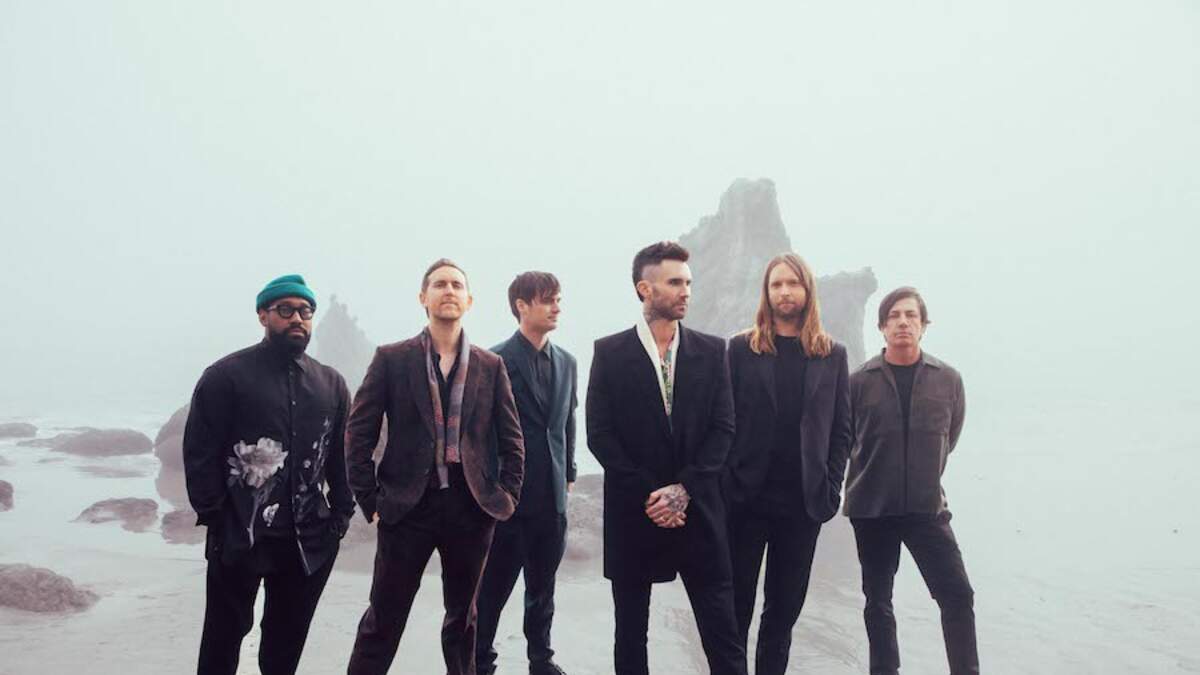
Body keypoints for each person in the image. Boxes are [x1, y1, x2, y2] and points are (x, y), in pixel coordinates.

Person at [344, 259, 525, 675]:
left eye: (457, 285)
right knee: (383, 617)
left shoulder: (490, 366)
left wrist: (506, 496)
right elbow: (358, 432)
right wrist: (369, 500)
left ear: (469, 300)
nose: (449, 291)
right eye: (440, 284)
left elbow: (512, 438)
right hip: (406, 508)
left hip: (471, 507)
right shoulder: (392, 359)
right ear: (423, 298)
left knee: (463, 621)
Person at [586, 241, 747, 675]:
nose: (686, 291)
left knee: (723, 635)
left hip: (700, 511)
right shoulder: (609, 353)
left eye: (688, 283)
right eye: (675, 282)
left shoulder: (713, 351)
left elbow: (724, 429)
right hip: (634, 512)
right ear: (645, 288)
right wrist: (652, 494)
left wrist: (684, 490)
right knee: (630, 636)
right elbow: (600, 436)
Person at [183, 273, 354, 675]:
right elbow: (200, 453)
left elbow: (339, 456)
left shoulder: (331, 384)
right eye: (285, 310)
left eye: (305, 311)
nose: (297, 318)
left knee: (284, 648)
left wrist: (340, 516)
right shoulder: (225, 376)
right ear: (263, 315)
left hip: (308, 539)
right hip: (240, 534)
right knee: (223, 640)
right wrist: (216, 517)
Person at [723, 253, 852, 675]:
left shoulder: (831, 354)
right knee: (734, 610)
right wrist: (726, 484)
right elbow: (723, 421)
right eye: (777, 284)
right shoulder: (741, 348)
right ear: (766, 292)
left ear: (807, 291)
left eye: (793, 283)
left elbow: (842, 430)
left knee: (782, 614)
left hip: (802, 505)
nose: (784, 292)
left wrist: (830, 489)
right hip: (745, 501)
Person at [844, 286, 978, 675]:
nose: (903, 322)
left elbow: (950, 437)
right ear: (882, 327)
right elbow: (845, 440)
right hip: (872, 508)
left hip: (927, 508)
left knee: (957, 595)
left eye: (911, 315)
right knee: (878, 602)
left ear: (923, 325)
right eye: (894, 316)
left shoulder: (948, 380)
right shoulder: (858, 382)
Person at [475, 271, 578, 675]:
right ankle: (480, 660)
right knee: (492, 588)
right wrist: (489, 489)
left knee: (542, 588)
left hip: (552, 499)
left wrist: (568, 472)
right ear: (522, 305)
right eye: (548, 300)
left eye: (559, 299)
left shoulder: (567, 362)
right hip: (508, 499)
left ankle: (541, 659)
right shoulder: (493, 360)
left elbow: (567, 422)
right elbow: (478, 431)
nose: (557, 308)